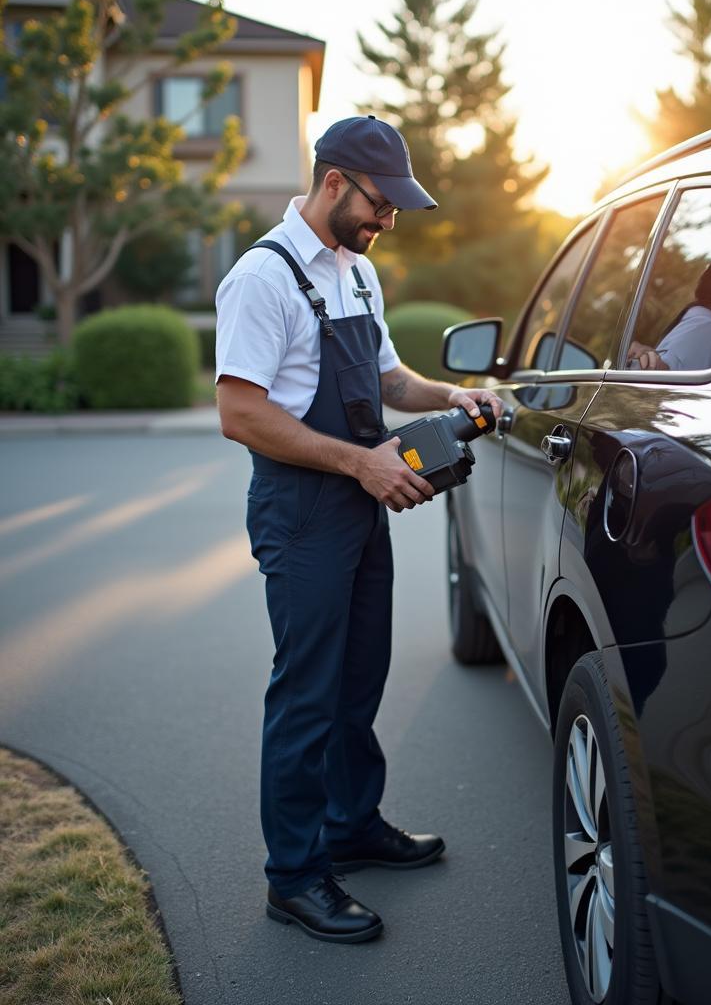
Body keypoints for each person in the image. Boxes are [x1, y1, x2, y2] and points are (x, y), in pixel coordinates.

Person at [215, 116, 502, 945]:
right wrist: (358, 463)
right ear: (334, 181)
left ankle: (351, 823)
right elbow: (240, 412)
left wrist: (453, 398)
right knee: (306, 694)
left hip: (359, 498)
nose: (388, 223)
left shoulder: (357, 274)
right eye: (381, 205)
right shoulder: (260, 279)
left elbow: (387, 379)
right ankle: (296, 877)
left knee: (358, 679)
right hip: (302, 511)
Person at [626, 255, 711, 371]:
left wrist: (645, 358)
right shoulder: (705, 323)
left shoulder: (705, 324)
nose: (659, 284)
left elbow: (665, 374)